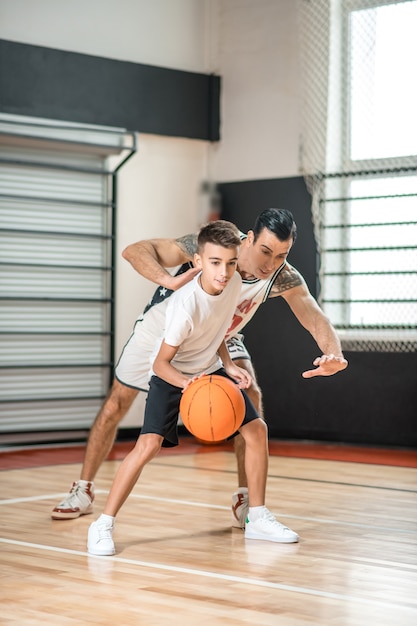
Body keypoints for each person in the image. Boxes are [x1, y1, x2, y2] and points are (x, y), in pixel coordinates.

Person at [52, 208, 348, 529]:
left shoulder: (281, 275)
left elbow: (314, 316)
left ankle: (245, 499)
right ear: (249, 239)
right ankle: (82, 490)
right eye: (265, 251)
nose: (271, 263)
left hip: (218, 336)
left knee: (250, 395)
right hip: (164, 333)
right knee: (115, 406)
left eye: (281, 255)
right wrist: (169, 280)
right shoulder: (213, 247)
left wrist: (333, 353)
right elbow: (135, 251)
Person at [87, 219, 299, 556]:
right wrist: (188, 384)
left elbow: (217, 332)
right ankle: (102, 524)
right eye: (215, 263)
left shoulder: (230, 285)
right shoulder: (185, 306)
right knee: (147, 446)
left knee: (257, 429)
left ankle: (256, 518)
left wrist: (228, 364)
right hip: (173, 373)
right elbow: (159, 364)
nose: (224, 272)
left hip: (209, 368)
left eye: (230, 263)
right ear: (197, 262)